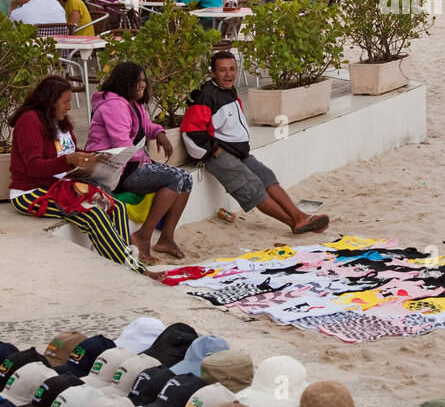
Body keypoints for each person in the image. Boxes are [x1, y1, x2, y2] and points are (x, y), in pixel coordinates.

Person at [181, 51, 328, 235]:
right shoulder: (205, 95)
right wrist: (214, 149)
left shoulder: (229, 89)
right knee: (253, 188)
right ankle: (294, 222)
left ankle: (299, 216)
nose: (229, 74)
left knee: (266, 176)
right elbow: (191, 130)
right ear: (212, 73)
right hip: (218, 154)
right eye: (223, 70)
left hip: (238, 152)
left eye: (232, 69)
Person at [9, 75, 146, 273]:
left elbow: (69, 152)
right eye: (65, 102)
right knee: (94, 214)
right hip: (30, 192)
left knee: (116, 207)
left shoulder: (59, 122)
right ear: (50, 100)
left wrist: (94, 158)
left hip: (60, 186)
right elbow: (34, 167)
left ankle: (122, 264)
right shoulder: (29, 121)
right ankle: (133, 269)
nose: (69, 107)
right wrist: (67, 161)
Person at [86, 62, 193, 264]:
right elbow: (123, 145)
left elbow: (145, 125)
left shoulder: (132, 103)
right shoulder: (113, 105)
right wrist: (147, 162)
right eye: (139, 80)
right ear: (125, 82)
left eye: (144, 80)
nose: (143, 84)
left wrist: (159, 133)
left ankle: (166, 238)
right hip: (115, 170)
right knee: (175, 178)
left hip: (131, 165)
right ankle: (143, 235)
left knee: (186, 179)